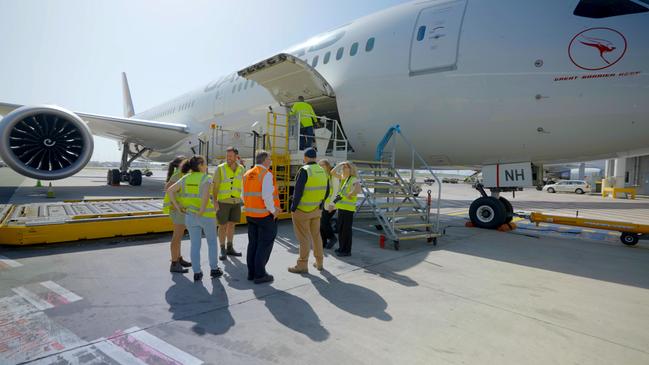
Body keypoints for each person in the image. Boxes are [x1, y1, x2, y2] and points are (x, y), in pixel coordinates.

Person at [167, 155, 223, 281]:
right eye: (205, 164)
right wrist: (202, 211)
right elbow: (204, 198)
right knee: (212, 243)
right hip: (206, 216)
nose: (207, 166)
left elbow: (170, 190)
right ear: (200, 165)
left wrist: (178, 207)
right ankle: (214, 269)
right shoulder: (206, 178)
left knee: (195, 245)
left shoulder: (186, 177)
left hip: (190, 216)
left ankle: (197, 272)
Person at [242, 150, 282, 284]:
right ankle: (260, 275)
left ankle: (251, 273)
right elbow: (266, 196)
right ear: (264, 160)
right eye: (269, 159)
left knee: (253, 244)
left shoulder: (247, 173)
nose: (270, 161)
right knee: (264, 245)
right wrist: (273, 211)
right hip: (264, 215)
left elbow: (243, 195)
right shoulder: (266, 174)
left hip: (250, 214)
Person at [288, 148, 329, 273]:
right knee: (316, 236)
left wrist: (293, 208)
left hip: (302, 210)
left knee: (304, 238)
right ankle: (319, 262)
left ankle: (302, 264)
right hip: (316, 209)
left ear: (305, 158)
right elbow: (327, 191)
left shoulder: (304, 170)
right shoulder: (322, 171)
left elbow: (298, 192)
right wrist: (320, 205)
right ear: (315, 158)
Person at [213, 147, 244, 260]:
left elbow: (242, 184)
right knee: (222, 226)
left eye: (230, 156)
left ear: (236, 156)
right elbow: (215, 186)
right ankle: (222, 249)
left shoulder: (241, 168)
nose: (228, 158)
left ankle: (230, 247)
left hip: (236, 201)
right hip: (223, 201)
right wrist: (215, 201)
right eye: (227, 156)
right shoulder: (220, 168)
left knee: (232, 225)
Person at [163, 156, 192, 273]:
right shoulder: (178, 175)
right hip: (177, 210)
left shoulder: (183, 175)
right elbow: (167, 188)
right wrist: (177, 204)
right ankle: (174, 263)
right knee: (177, 237)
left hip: (181, 210)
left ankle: (179, 259)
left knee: (179, 237)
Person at [331, 161, 361, 257]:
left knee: (346, 231)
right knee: (341, 229)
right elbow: (332, 172)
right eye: (343, 168)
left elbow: (358, 189)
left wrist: (351, 193)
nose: (344, 169)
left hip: (348, 209)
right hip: (342, 208)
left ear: (351, 169)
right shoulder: (344, 179)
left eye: (346, 167)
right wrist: (339, 164)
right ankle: (341, 248)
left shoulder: (353, 179)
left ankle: (346, 251)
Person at [318, 159, 338, 250]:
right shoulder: (325, 176)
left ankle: (332, 238)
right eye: (320, 165)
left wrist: (332, 204)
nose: (321, 167)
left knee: (324, 222)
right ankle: (323, 242)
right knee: (321, 223)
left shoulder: (333, 175)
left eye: (323, 165)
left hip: (331, 204)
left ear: (327, 165)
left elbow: (336, 191)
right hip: (324, 204)